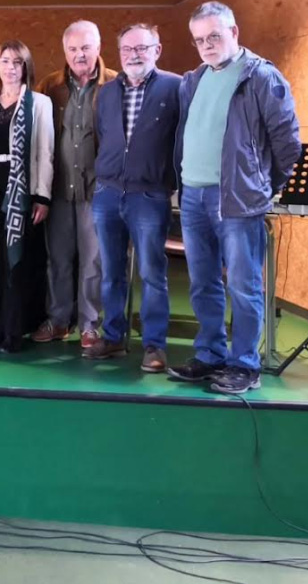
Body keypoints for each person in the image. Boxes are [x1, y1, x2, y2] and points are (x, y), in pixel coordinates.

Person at [167, 2, 300, 395]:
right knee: (202, 283)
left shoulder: (260, 77)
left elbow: (288, 143)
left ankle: (244, 365)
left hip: (237, 201)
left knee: (243, 285)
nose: (207, 45)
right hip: (193, 196)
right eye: (199, 40)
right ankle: (210, 354)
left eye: (214, 36)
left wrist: (261, 186)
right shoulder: (194, 79)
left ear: (234, 32)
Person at [84, 24, 181, 372]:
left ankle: (154, 346)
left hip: (149, 195)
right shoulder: (107, 92)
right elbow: (104, 135)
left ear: (157, 50)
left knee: (152, 272)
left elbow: (181, 138)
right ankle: (113, 338)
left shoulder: (175, 87)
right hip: (108, 193)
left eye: (141, 48)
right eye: (127, 49)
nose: (134, 55)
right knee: (111, 271)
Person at [33, 20, 117, 348]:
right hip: (58, 189)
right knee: (58, 258)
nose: (79, 54)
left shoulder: (115, 84)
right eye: (73, 49)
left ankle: (90, 325)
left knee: (94, 262)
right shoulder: (50, 86)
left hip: (98, 190)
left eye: (85, 47)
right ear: (64, 52)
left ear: (98, 48)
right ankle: (57, 321)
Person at [0, 41, 52, 353]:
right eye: (5, 61)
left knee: (16, 260)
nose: (10, 68)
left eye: (17, 62)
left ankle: (15, 332)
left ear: (26, 67)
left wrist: (42, 196)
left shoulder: (39, 103)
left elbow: (45, 151)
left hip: (20, 185)